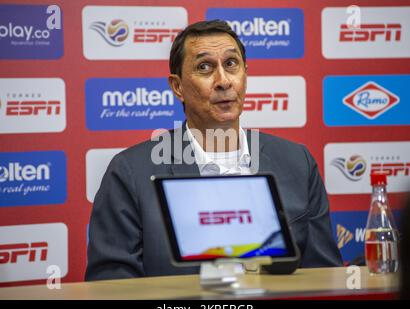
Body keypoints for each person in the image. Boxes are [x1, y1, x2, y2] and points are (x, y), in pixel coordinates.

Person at [85, 20, 342, 281]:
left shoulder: (297, 162)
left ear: (245, 74)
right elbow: (110, 286)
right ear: (178, 87)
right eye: (204, 67)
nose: (223, 81)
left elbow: (323, 275)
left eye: (231, 64)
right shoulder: (130, 172)